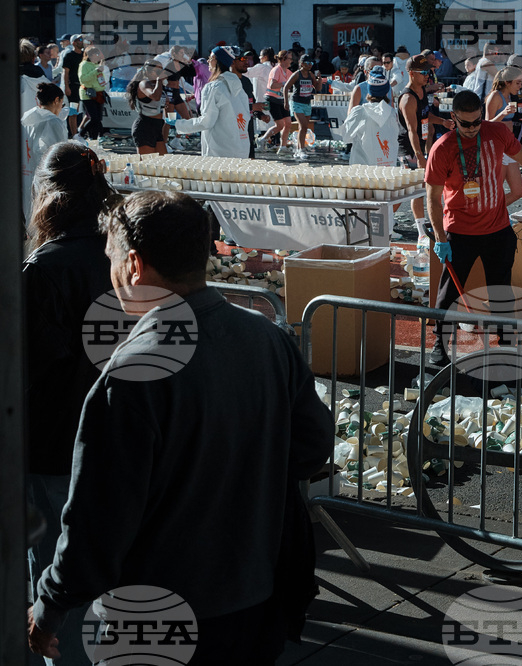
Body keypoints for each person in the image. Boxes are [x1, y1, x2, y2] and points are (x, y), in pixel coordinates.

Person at [27, 190, 334, 666]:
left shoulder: (130, 375)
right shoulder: (267, 338)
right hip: (256, 598)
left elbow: (97, 520)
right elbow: (312, 447)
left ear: (134, 265)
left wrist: (49, 605)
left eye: (111, 260)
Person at [23, 142, 118, 666]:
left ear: (49, 196)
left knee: (59, 572)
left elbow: (30, 368)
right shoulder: (123, 255)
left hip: (58, 441)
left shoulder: (45, 267)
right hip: (123, 434)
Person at [424, 90, 522, 365]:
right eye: (465, 124)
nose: (472, 128)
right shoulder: (443, 147)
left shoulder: (496, 132)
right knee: (449, 292)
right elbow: (432, 198)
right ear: (453, 118)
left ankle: (507, 344)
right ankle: (440, 343)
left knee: (502, 291)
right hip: (459, 232)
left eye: (477, 121)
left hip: (497, 229)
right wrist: (440, 238)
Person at [399, 54, 454, 235]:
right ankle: (421, 231)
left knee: (422, 188)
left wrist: (442, 121)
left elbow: (424, 114)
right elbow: (411, 130)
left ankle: (424, 226)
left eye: (428, 72)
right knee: (414, 190)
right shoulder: (408, 98)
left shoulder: (422, 90)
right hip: (409, 148)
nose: (427, 76)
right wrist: (419, 155)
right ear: (411, 73)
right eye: (423, 73)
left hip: (420, 145)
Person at [172, 46, 250, 158]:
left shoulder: (213, 87)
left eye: (211, 58)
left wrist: (178, 124)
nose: (208, 61)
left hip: (220, 150)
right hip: (241, 147)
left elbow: (206, 122)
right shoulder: (239, 88)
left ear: (218, 61)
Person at [20, 84, 68, 225]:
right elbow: (59, 153)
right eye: (62, 103)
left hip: (25, 175)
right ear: (56, 100)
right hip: (45, 179)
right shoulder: (53, 122)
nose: (61, 108)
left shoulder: (26, 119)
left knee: (30, 217)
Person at [485, 66, 522, 205]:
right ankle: (490, 214)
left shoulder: (510, 96)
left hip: (509, 145)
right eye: (517, 83)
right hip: (498, 147)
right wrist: (503, 114)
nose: (520, 86)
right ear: (507, 82)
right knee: (495, 189)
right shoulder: (495, 96)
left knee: (518, 192)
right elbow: (487, 124)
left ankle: (495, 212)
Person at [343, 66, 398, 167]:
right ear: (387, 92)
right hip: (386, 167)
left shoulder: (359, 112)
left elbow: (346, 137)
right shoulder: (392, 114)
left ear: (368, 91)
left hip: (362, 167)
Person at [283, 53, 319, 160]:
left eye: (311, 63)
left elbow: (318, 88)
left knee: (303, 127)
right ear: (302, 64)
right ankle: (301, 149)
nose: (310, 65)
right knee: (303, 125)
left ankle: (299, 148)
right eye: (307, 63)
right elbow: (286, 87)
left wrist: (319, 79)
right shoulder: (297, 75)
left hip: (307, 103)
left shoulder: (311, 75)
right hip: (296, 103)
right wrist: (286, 102)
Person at [260, 50, 293, 154]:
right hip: (272, 98)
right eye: (290, 59)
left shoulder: (288, 72)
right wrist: (284, 84)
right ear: (283, 59)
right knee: (280, 125)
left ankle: (283, 146)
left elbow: (295, 80)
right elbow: (272, 85)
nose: (291, 61)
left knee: (288, 123)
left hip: (282, 99)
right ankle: (262, 139)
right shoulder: (276, 70)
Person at [77, 45, 107, 140]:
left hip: (98, 94)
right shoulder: (84, 65)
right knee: (94, 118)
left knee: (98, 119)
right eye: (96, 54)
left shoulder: (96, 65)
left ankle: (94, 138)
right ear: (90, 55)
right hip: (88, 94)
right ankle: (80, 134)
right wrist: (96, 71)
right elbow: (83, 79)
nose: (98, 56)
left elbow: (99, 79)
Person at [59, 35, 84, 138]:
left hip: (82, 87)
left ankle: (77, 132)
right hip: (73, 87)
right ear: (74, 42)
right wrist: (66, 87)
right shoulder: (69, 56)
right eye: (80, 40)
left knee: (80, 111)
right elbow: (66, 72)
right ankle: (74, 134)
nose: (82, 41)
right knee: (73, 111)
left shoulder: (84, 55)